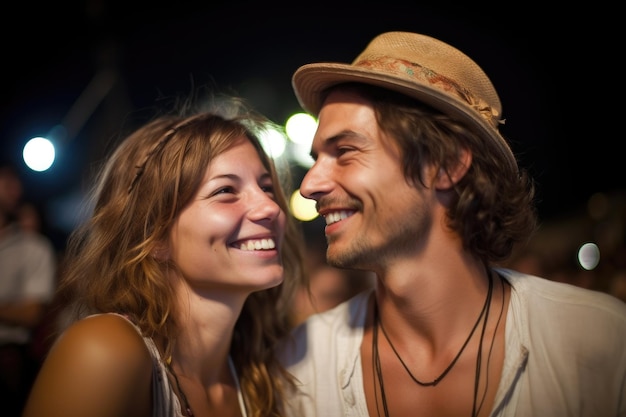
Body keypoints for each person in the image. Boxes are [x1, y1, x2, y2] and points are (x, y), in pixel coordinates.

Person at [278, 31, 626, 417]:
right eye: (315, 159)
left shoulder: (598, 342)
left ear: (445, 165)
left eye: (344, 151)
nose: (309, 185)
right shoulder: (303, 367)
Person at [22, 95, 305, 417]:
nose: (271, 207)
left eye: (267, 187)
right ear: (154, 236)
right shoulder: (105, 350)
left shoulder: (259, 374)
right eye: (225, 190)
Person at [0, 161, 57, 417]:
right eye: (7, 181)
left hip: (8, 359)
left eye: (16, 183)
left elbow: (32, 313)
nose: (15, 189)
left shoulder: (33, 248)